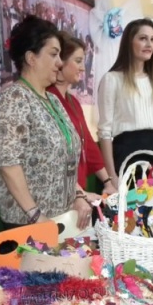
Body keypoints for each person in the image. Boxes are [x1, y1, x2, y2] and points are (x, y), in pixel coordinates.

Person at [0, 16, 82, 229]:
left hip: (60, 218)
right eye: (53, 54)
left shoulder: (53, 101)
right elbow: (8, 163)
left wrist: (79, 195)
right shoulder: (14, 99)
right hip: (28, 224)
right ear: (31, 58)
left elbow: (65, 158)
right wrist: (35, 216)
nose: (60, 63)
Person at [46, 32, 117, 228]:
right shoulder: (48, 100)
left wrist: (108, 182)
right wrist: (80, 193)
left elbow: (89, 146)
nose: (82, 68)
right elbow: (55, 158)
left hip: (77, 192)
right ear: (60, 63)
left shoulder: (73, 102)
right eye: (77, 61)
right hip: (61, 196)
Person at [97, 18, 153, 186]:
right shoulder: (112, 79)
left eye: (152, 39)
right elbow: (104, 132)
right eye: (143, 38)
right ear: (129, 42)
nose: (149, 44)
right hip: (127, 151)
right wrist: (111, 176)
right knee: (129, 202)